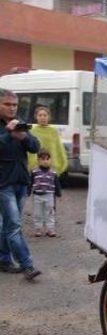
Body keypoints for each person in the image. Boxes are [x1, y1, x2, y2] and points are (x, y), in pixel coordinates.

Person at [0, 88, 41, 280]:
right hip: (3, 184)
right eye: (7, 104)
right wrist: (9, 134)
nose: (12, 108)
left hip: (21, 182)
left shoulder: (20, 122)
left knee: (7, 225)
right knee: (14, 225)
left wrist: (24, 136)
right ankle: (27, 265)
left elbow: (35, 147)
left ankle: (4, 259)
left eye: (14, 104)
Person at [28, 149, 62, 237]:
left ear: (50, 160)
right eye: (43, 159)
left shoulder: (53, 173)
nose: (45, 161)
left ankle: (50, 229)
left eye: (47, 159)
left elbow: (56, 184)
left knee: (50, 212)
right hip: (37, 196)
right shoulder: (34, 172)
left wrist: (58, 193)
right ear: (38, 160)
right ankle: (38, 228)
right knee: (37, 213)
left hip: (49, 195)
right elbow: (30, 182)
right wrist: (28, 191)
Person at [28, 106, 68, 177]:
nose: (42, 117)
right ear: (36, 117)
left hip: (51, 167)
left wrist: (60, 163)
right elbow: (29, 151)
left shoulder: (53, 131)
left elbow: (58, 149)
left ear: (49, 117)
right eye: (40, 115)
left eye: (45, 115)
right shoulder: (32, 131)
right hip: (35, 168)